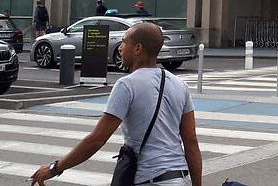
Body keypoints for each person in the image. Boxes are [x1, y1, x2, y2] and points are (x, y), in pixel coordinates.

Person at [29, 21, 202, 186]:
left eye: (124, 42)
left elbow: (96, 140)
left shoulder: (127, 85)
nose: (120, 48)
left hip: (148, 178)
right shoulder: (180, 85)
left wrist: (55, 168)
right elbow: (191, 141)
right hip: (180, 178)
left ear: (137, 48)